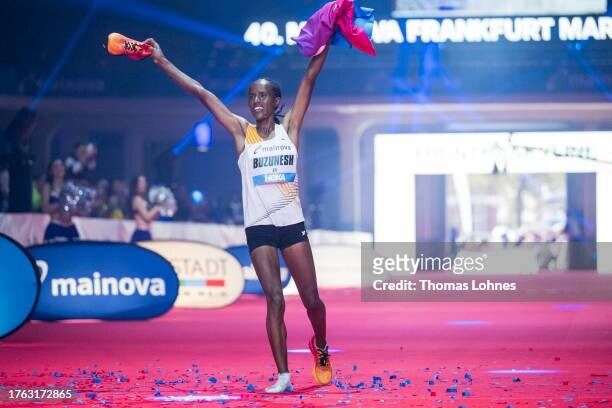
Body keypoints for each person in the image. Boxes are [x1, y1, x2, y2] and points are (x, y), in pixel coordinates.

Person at [143, 37, 332, 392]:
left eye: (263, 96)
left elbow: (309, 77)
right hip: (259, 229)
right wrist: (162, 60)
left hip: (291, 225)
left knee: (312, 301)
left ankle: (320, 345)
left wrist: (326, 39)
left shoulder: (290, 129)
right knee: (274, 299)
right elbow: (201, 93)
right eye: (252, 96)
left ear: (276, 102)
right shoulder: (241, 132)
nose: (256, 101)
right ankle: (284, 375)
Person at [41, 159, 80, 243]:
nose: (59, 168)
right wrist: (60, 203)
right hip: (56, 227)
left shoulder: (70, 186)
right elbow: (44, 209)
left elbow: (76, 209)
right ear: (51, 171)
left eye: (61, 165)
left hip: (71, 228)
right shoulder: (48, 186)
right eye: (56, 166)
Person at [129, 175, 159, 242]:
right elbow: (147, 217)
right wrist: (157, 207)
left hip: (147, 232)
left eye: (145, 182)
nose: (144, 185)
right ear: (136, 185)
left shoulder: (144, 199)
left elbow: (152, 218)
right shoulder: (137, 199)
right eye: (141, 182)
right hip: (141, 233)